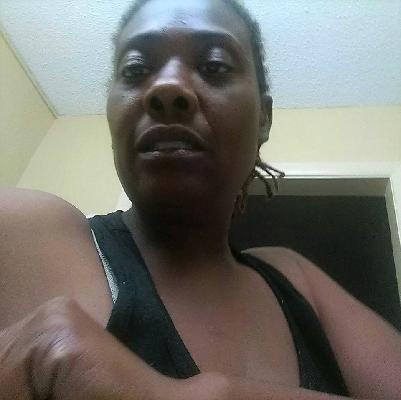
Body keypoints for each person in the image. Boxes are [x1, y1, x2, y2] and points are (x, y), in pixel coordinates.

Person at [0, 0, 400, 399]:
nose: (166, 87)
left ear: (264, 118)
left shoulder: (294, 280)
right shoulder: (29, 230)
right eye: (136, 70)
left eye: (214, 66)